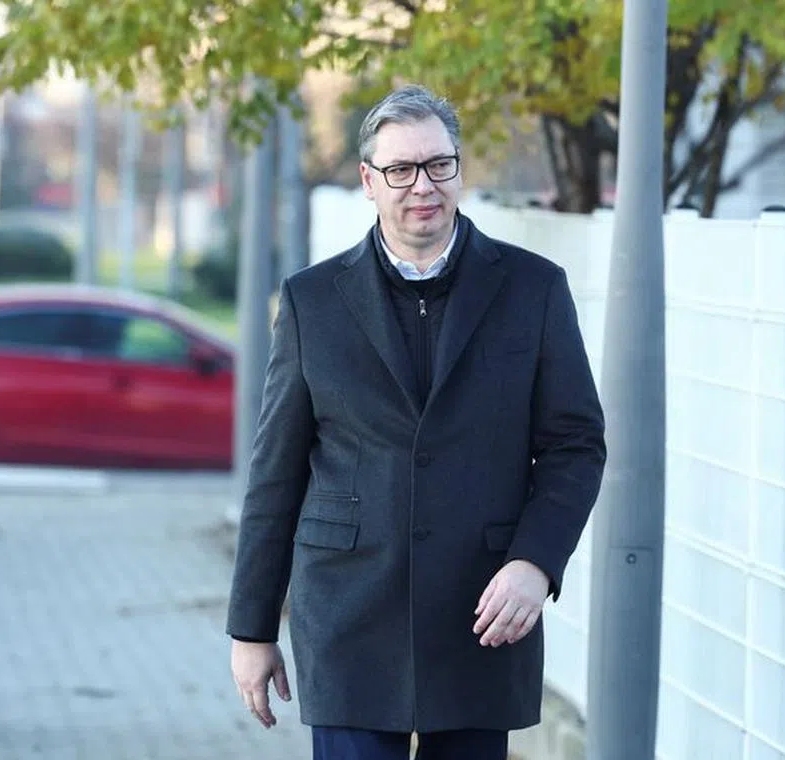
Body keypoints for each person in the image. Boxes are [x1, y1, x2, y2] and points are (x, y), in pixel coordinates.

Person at [225, 84, 607, 760]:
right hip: (348, 617)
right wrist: (251, 629)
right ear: (370, 181)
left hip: (482, 614)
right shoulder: (312, 302)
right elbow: (276, 472)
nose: (422, 185)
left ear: (460, 169)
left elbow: (576, 445)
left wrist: (536, 563)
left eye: (438, 165)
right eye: (401, 169)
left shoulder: (532, 289)